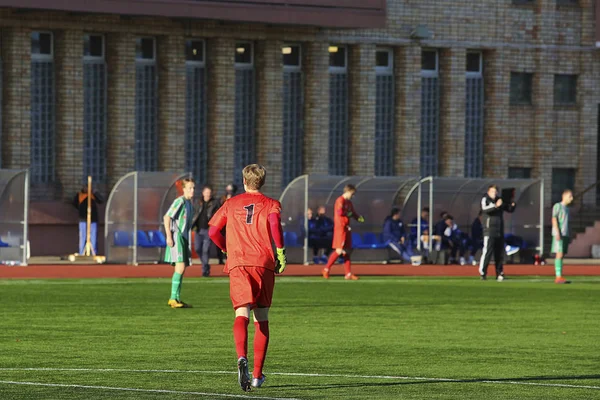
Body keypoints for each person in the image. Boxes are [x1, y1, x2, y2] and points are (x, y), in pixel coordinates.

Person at [208, 164, 287, 392]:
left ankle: (241, 357)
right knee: (261, 317)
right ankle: (256, 375)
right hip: (263, 263)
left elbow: (213, 231)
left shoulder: (231, 203)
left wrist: (226, 249)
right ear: (262, 182)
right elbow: (274, 225)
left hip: (239, 263)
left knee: (241, 312)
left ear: (244, 181)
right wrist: (280, 251)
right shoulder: (271, 203)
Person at [164, 178, 195, 308]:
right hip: (176, 236)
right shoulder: (180, 201)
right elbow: (167, 217)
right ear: (183, 189)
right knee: (180, 267)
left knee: (181, 269)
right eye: (189, 188)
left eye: (193, 188)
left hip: (183, 238)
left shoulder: (189, 203)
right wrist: (169, 236)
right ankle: (172, 298)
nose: (192, 190)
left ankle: (176, 298)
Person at [321, 184, 364, 280]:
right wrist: (349, 214)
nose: (352, 196)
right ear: (347, 191)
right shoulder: (340, 200)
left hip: (347, 228)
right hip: (340, 228)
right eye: (352, 194)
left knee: (347, 251)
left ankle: (348, 274)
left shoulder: (349, 203)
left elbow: (353, 213)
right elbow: (340, 212)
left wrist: (359, 218)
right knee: (339, 250)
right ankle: (326, 269)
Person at [479, 185, 516, 281]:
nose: (494, 193)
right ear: (488, 192)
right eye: (492, 191)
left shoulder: (499, 200)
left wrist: (512, 204)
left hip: (499, 230)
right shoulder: (485, 199)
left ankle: (499, 273)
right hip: (489, 230)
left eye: (495, 192)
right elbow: (485, 209)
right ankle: (483, 272)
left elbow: (508, 209)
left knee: (499, 253)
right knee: (487, 251)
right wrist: (495, 206)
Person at [191, 185, 220, 277]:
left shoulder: (215, 203)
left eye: (209, 193)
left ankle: (204, 270)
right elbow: (194, 213)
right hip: (198, 229)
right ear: (203, 193)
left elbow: (218, 215)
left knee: (205, 250)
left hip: (208, 230)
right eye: (206, 192)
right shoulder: (198, 202)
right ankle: (206, 265)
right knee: (197, 248)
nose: (208, 194)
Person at [72, 186, 104, 255]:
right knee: (83, 236)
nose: (87, 189)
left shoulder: (93, 195)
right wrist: (81, 209)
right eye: (85, 187)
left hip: (93, 219)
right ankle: (82, 252)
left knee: (93, 236)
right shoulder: (79, 195)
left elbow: (101, 200)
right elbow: (74, 203)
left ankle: (93, 252)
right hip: (83, 219)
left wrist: (95, 192)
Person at [552, 189, 573, 284]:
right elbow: (554, 219)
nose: (571, 199)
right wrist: (557, 232)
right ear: (564, 196)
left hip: (565, 234)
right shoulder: (558, 206)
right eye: (570, 196)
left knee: (562, 254)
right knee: (559, 254)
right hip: (559, 234)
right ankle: (558, 276)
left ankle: (560, 275)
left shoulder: (567, 209)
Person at [216, 183, 238, 264]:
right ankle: (221, 258)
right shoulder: (222, 200)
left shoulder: (236, 200)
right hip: (223, 224)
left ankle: (229, 258)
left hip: (232, 225)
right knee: (221, 241)